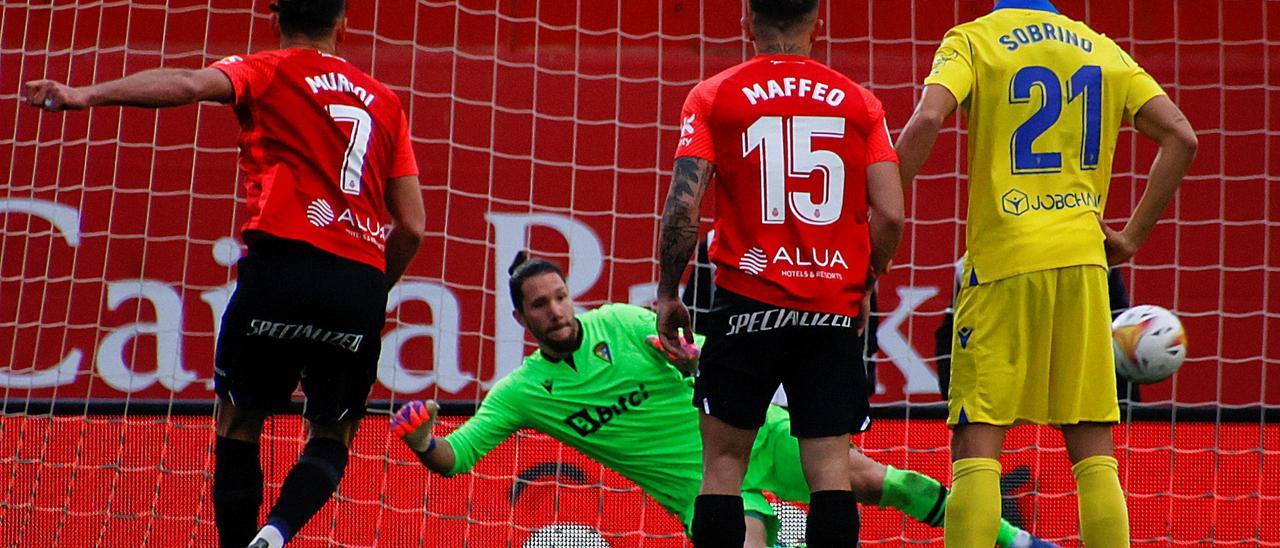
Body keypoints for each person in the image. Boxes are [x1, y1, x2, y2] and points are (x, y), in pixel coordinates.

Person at [23, 2, 426, 547]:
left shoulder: (268, 67)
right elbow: (413, 227)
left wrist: (84, 94)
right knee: (333, 432)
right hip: (356, 280)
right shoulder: (385, 100)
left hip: (280, 268)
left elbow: (188, 84)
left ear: (276, 17)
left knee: (238, 424)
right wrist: (372, 290)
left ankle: (239, 542)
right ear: (344, 22)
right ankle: (279, 532)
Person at [393, 257, 1053, 548]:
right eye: (541, 305)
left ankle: (1015, 540)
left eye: (561, 295)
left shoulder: (622, 325)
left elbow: (724, 358)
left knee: (873, 481)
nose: (557, 310)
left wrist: (695, 357)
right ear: (521, 317)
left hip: (756, 434)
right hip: (707, 489)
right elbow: (456, 457)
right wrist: (424, 438)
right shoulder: (523, 392)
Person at [894, 0, 1197, 545]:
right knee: (1093, 451)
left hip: (1005, 262)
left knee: (978, 444)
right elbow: (1183, 137)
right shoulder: (1103, 49)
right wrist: (1129, 238)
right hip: (1084, 267)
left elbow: (929, 117)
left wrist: (880, 210)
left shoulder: (973, 38)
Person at [654, 0, 905, 544]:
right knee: (830, 477)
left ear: (745, 21)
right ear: (821, 22)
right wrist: (865, 279)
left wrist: (668, 292)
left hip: (745, 306)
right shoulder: (860, 103)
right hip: (830, 311)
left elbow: (683, 208)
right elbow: (891, 214)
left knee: (722, 468)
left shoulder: (713, 95)